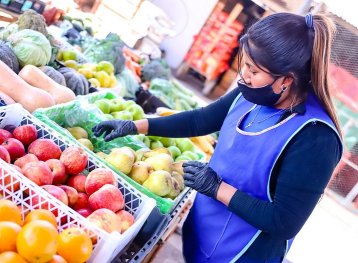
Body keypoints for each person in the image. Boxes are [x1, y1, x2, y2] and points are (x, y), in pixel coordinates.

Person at [92, 13, 343, 263]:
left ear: (287, 79)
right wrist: (134, 125)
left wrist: (216, 188)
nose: (243, 75)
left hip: (242, 254)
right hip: (204, 235)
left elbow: (283, 221)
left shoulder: (315, 137)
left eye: (254, 70)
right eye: (244, 64)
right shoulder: (252, 94)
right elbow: (198, 120)